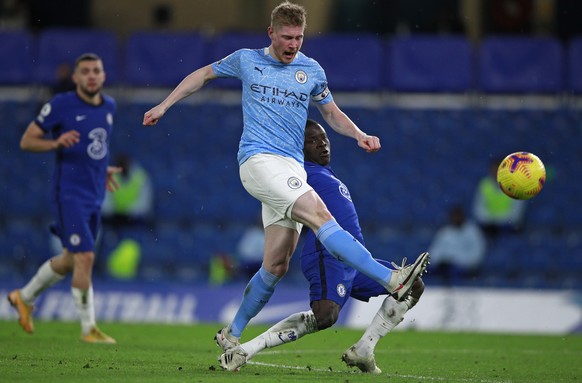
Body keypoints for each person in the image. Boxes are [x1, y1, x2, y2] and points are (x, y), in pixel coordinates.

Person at [143, 0, 429, 352]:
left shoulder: (311, 70)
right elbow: (202, 74)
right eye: (287, 37)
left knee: (276, 265)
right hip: (259, 161)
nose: (293, 45)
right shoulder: (248, 60)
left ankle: (230, 334)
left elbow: (332, 113)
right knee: (322, 215)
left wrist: (358, 134)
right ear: (271, 33)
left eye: (299, 38)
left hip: (291, 169)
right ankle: (392, 278)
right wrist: (164, 104)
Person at [220, 119, 426, 372]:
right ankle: (244, 350)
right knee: (325, 315)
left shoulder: (325, 174)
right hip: (327, 255)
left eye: (325, 139)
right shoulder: (297, 174)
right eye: (312, 141)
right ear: (299, 147)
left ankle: (365, 348)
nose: (322, 145)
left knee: (414, 286)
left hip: (356, 260)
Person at [7, 53, 120, 344]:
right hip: (69, 195)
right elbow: (27, 140)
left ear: (104, 75)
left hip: (95, 194)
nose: (92, 76)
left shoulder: (109, 106)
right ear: (76, 78)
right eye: (86, 71)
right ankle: (88, 329)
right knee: (85, 256)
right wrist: (55, 142)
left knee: (71, 260)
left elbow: (96, 147)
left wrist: (102, 169)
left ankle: (24, 296)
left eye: (97, 70)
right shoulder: (60, 105)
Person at [428, 204, 486, 285]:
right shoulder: (445, 232)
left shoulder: (473, 232)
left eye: (458, 216)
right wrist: (440, 260)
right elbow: (434, 252)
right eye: (454, 216)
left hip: (463, 268)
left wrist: (458, 261)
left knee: (455, 272)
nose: (456, 218)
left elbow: (477, 254)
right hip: (445, 267)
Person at [472, 158, 526, 237]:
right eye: (493, 170)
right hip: (488, 227)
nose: (496, 172)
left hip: (508, 227)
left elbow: (516, 213)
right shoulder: (484, 185)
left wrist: (497, 220)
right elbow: (478, 210)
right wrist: (491, 220)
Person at [101, 153, 154, 228]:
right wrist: (115, 212)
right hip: (114, 218)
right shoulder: (110, 177)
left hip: (134, 218)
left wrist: (126, 212)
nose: (123, 167)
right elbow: (105, 202)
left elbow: (144, 204)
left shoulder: (140, 177)